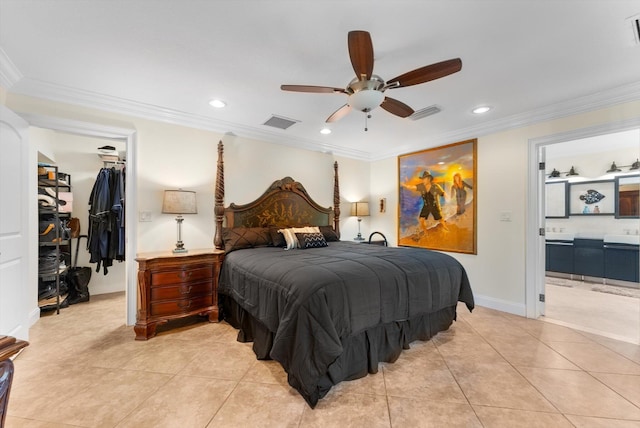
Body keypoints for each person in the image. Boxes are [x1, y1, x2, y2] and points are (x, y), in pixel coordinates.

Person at [402, 170, 448, 235]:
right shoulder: (421, 186)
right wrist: (406, 186)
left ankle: (446, 228)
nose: (423, 180)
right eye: (422, 179)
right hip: (426, 205)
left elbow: (442, 193)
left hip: (435, 206)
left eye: (424, 179)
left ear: (429, 179)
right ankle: (426, 232)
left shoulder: (435, 186)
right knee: (421, 219)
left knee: (440, 219)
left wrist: (446, 196)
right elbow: (413, 187)